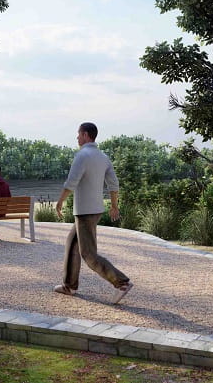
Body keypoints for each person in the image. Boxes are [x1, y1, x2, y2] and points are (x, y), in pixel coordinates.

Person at [54, 122, 133, 304]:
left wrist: (59, 202)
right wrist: (114, 205)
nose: (77, 137)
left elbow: (71, 182)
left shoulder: (82, 155)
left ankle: (121, 282)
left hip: (84, 212)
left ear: (86, 135)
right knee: (72, 243)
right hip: (95, 210)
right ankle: (69, 285)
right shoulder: (103, 157)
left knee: (88, 254)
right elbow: (114, 184)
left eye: (79, 134)